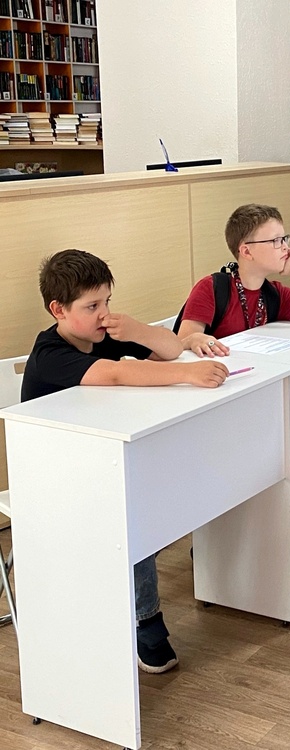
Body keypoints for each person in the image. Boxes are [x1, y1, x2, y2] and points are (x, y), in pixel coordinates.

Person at [21, 249, 230, 673]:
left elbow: (170, 349)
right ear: (58, 310)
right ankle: (144, 619)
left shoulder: (104, 333)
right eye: (91, 306)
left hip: (99, 458)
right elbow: (116, 373)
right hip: (51, 475)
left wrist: (136, 329)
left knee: (164, 485)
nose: (104, 314)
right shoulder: (50, 353)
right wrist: (188, 374)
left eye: (107, 302)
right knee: (131, 511)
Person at [177, 204, 290, 357]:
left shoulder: (274, 294)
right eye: (276, 241)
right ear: (246, 252)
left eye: (284, 239)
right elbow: (183, 343)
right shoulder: (211, 288)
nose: (285, 247)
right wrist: (195, 339)